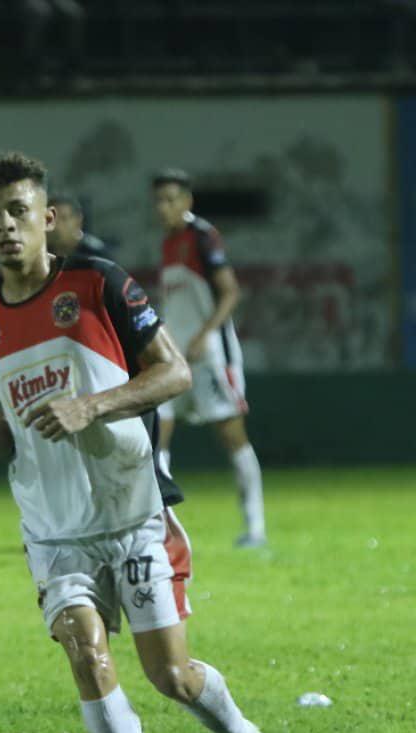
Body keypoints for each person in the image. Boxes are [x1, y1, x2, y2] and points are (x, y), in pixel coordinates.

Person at [0, 152, 289, 733]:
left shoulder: (99, 284)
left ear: (48, 219)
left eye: (19, 212)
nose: (7, 226)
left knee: (171, 675)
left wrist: (94, 406)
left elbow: (174, 372)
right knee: (85, 646)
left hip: (132, 512)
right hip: (54, 529)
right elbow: (17, 418)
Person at [152, 168, 267, 548]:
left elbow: (230, 292)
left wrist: (204, 335)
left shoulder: (202, 237)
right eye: (159, 200)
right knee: (157, 435)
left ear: (187, 201)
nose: (164, 207)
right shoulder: (168, 243)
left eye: (171, 199)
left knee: (233, 437)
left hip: (211, 356)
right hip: (176, 359)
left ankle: (255, 528)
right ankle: (161, 529)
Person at [46, 191, 111, 260]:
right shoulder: (42, 255)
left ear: (78, 220)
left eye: (63, 218)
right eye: (51, 219)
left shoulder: (96, 255)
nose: (57, 225)